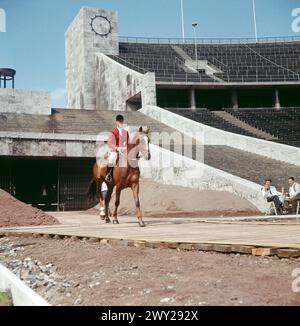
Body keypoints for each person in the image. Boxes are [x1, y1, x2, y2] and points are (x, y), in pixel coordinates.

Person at [105, 114, 129, 182]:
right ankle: (108, 174)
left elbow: (127, 142)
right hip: (114, 150)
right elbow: (110, 143)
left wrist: (125, 147)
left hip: (123, 150)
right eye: (119, 121)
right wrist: (117, 148)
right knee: (112, 158)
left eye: (121, 121)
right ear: (116, 122)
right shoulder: (112, 131)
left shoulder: (125, 132)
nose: (121, 123)